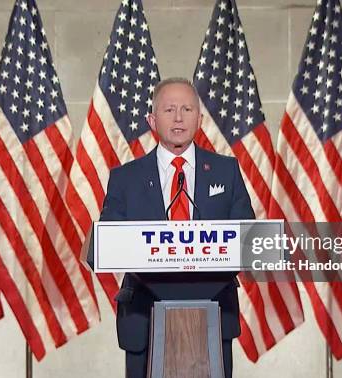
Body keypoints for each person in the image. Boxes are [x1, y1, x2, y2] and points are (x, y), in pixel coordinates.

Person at [88, 77, 254, 377]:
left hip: (213, 318)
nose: (179, 118)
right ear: (152, 120)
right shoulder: (125, 178)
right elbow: (102, 246)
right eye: (169, 110)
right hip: (143, 318)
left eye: (188, 109)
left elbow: (251, 242)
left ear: (200, 119)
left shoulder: (226, 171)